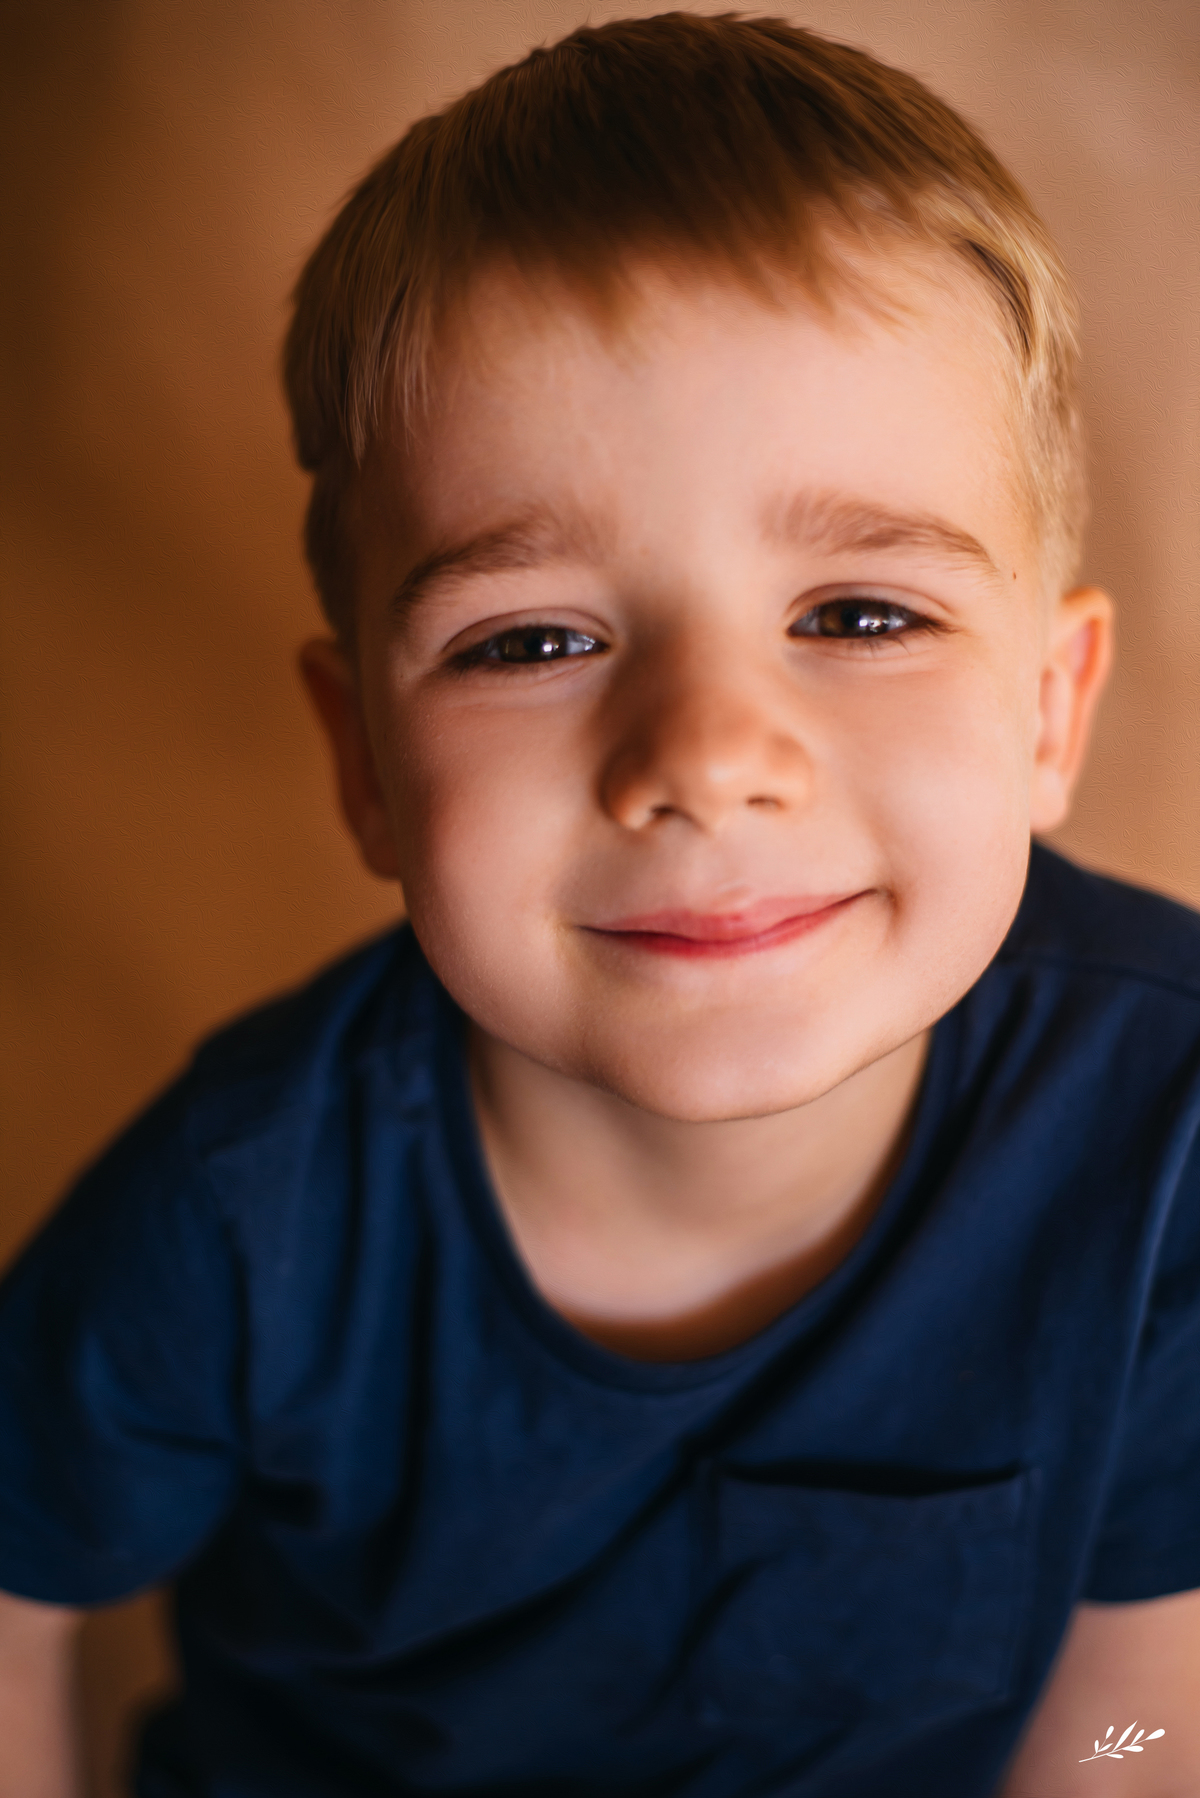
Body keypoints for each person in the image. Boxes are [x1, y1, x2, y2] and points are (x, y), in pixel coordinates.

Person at [1, 13, 1197, 1796]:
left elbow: (1141, 1711)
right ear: (365, 764)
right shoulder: (243, 1209)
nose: (709, 757)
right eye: (532, 638)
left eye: (860, 612)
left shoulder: (1157, 1131)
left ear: (1049, 710)